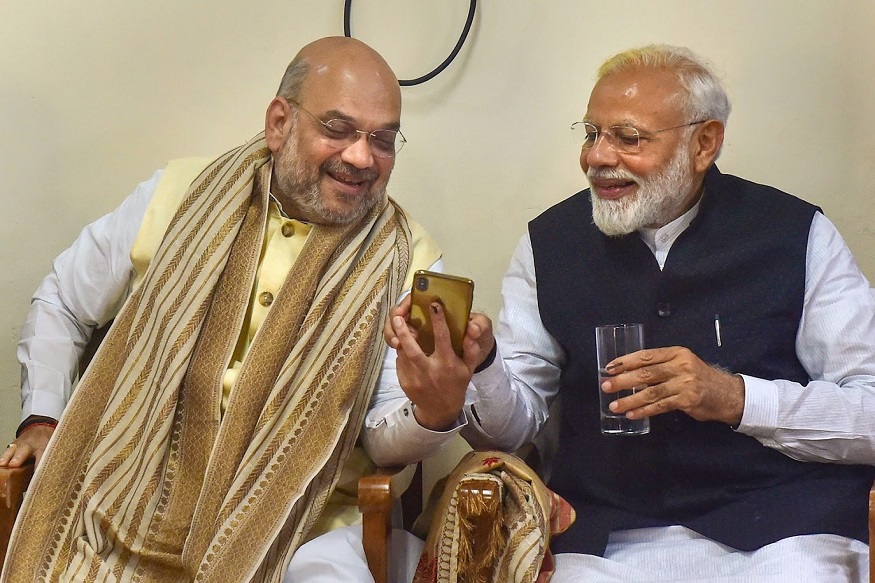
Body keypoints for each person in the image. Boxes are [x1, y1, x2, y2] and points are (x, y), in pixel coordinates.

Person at [383, 45, 875, 582]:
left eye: (628, 138)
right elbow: (515, 427)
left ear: (703, 143)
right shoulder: (549, 244)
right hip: (604, 538)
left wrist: (735, 397)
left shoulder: (796, 234)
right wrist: (481, 369)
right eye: (591, 133)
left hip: (784, 530)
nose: (596, 157)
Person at [0, 36, 442, 583]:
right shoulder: (178, 192)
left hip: (302, 530)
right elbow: (62, 299)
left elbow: (383, 438)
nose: (361, 157)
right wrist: (43, 416)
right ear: (280, 122)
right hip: (122, 499)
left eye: (383, 140)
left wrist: (432, 412)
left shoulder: (414, 260)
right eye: (337, 129)